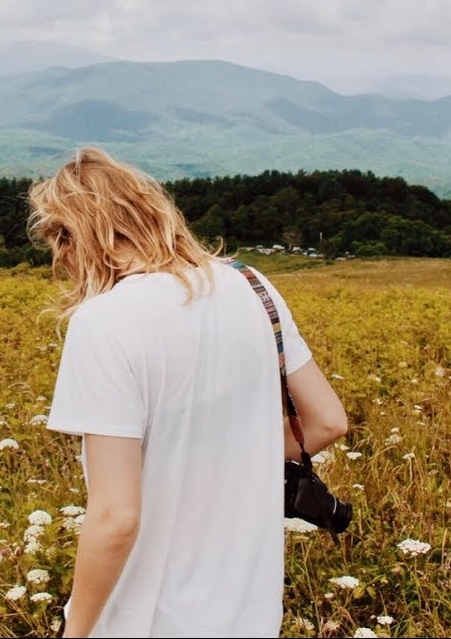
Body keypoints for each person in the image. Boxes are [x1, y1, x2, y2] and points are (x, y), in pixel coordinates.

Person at [28, 147, 348, 638]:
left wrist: (76, 632)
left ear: (72, 236)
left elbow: (116, 517)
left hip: (145, 621)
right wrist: (231, 464)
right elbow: (327, 421)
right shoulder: (252, 285)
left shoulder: (103, 322)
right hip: (251, 616)